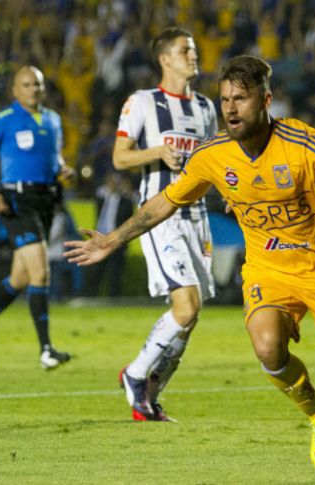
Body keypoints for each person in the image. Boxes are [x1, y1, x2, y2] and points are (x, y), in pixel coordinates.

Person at [65, 55, 315, 481]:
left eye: (241, 98)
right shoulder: (212, 154)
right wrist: (111, 239)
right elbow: (164, 202)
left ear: (266, 100)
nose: (231, 108)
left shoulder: (304, 142)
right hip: (268, 272)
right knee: (268, 347)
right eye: (225, 99)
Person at [110, 27, 219, 422]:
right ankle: (135, 374)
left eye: (194, 49)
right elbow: (120, 158)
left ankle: (149, 399)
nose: (194, 56)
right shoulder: (141, 102)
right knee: (185, 308)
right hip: (162, 215)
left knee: (189, 320)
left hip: (198, 217)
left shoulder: (207, 108)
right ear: (165, 59)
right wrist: (157, 151)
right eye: (185, 50)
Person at [0, 65, 74, 370]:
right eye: (26, 85)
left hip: (46, 200)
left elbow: (55, 157)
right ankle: (46, 350)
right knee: (40, 272)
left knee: (21, 278)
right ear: (15, 90)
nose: (33, 90)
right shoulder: (2, 121)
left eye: (37, 84)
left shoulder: (53, 120)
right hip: (15, 200)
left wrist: (63, 170)